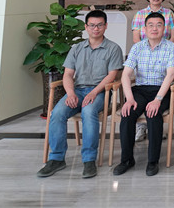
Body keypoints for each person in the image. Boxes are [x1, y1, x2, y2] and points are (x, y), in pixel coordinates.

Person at [38, 10, 123, 179]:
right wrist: (70, 94)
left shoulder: (113, 48)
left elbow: (112, 75)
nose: (96, 29)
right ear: (86, 27)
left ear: (106, 26)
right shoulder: (76, 48)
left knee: (88, 111)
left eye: (99, 25)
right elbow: (68, 74)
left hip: (100, 92)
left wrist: (94, 92)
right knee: (57, 113)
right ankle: (56, 159)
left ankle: (89, 160)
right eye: (92, 25)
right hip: (77, 91)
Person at [113, 12, 174, 177]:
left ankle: (152, 161)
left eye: (159, 25)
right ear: (144, 29)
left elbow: (171, 75)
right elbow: (125, 75)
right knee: (127, 113)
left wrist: (157, 100)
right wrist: (129, 99)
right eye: (151, 25)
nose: (154, 28)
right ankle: (126, 160)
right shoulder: (137, 47)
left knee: (153, 114)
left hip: (161, 90)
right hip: (140, 89)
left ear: (164, 28)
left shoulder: (171, 47)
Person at [131, 0, 174, 142]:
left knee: (159, 94)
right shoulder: (140, 14)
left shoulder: (169, 13)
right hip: (144, 57)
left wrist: (164, 50)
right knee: (140, 97)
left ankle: (155, 128)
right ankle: (141, 128)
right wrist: (145, 51)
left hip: (163, 56)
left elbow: (173, 36)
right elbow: (136, 38)